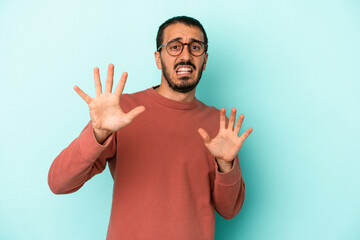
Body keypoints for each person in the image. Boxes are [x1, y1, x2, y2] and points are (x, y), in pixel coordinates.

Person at [48, 16, 253, 240]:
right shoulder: (121, 112)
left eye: (195, 47)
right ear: (158, 58)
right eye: (174, 46)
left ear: (204, 60)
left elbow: (230, 210)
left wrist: (226, 165)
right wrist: (98, 134)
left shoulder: (218, 123)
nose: (185, 55)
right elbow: (59, 183)